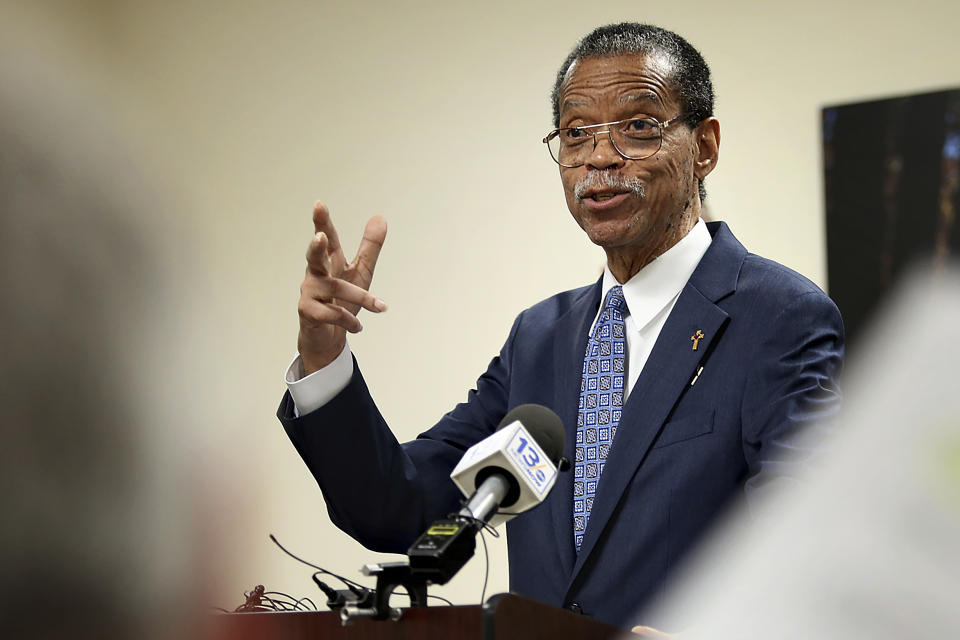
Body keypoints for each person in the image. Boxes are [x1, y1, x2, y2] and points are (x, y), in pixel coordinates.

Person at [278, 23, 844, 631]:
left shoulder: (779, 316)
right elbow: (398, 506)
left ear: (703, 147)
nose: (600, 157)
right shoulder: (540, 337)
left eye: (638, 127)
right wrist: (323, 356)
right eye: (576, 134)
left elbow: (811, 550)